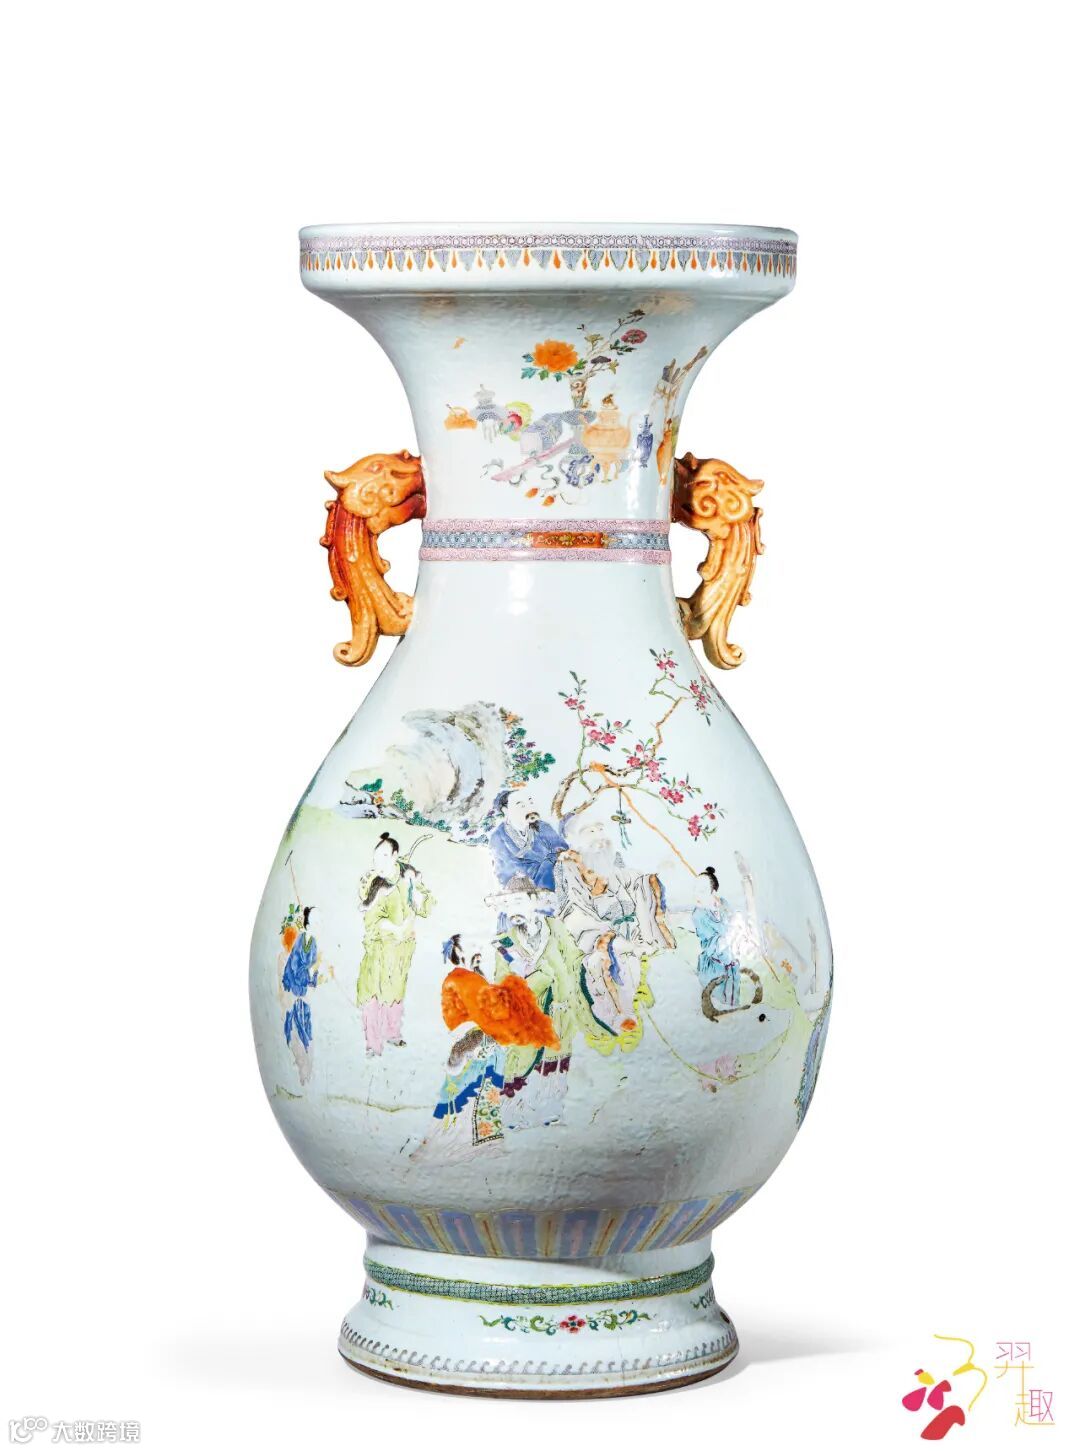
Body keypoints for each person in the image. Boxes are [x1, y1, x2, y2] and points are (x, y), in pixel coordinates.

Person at [486, 875, 608, 1130]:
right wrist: (539, 978)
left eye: (519, 902)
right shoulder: (505, 943)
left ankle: (550, 1108)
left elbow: (573, 959)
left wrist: (590, 962)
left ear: (533, 900)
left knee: (556, 1057)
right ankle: (513, 1110)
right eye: (509, 904)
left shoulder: (555, 928)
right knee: (522, 1058)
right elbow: (502, 985)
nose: (514, 910)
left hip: (560, 1009)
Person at [554, 814, 673, 1037]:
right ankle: (620, 1013)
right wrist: (614, 940)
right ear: (572, 838)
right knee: (604, 962)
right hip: (598, 935)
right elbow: (574, 910)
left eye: (600, 828)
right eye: (590, 831)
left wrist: (652, 879)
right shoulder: (568, 866)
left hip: (631, 930)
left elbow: (633, 881)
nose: (599, 836)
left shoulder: (611, 859)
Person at [355, 832, 435, 1056]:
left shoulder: (408, 876)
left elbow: (426, 907)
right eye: (375, 859)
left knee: (395, 992)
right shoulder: (374, 884)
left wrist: (417, 893)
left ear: (395, 855)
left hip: (400, 951)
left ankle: (392, 1033)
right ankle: (373, 1044)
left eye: (384, 857)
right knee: (372, 994)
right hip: (377, 948)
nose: (378, 864)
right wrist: (394, 928)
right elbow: (371, 922)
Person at [279, 904, 326, 1086]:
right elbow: (294, 966)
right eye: (317, 922)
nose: (319, 925)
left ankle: (306, 1071)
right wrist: (311, 971)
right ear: (309, 923)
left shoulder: (313, 943)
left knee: (305, 1028)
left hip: (304, 992)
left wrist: (315, 975)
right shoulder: (300, 940)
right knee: (294, 1029)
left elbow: (311, 969)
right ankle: (301, 1069)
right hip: (293, 988)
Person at [488, 788, 566, 892]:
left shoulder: (543, 827)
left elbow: (561, 848)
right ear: (506, 811)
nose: (529, 809)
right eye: (522, 806)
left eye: (530, 803)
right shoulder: (498, 836)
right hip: (522, 885)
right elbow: (505, 870)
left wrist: (553, 860)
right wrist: (543, 867)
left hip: (555, 875)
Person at [692, 867, 740, 1012]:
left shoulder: (723, 904)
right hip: (714, 969)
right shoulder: (699, 915)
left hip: (732, 969)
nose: (696, 895)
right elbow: (712, 946)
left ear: (713, 892)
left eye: (701, 890)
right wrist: (730, 935)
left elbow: (735, 922)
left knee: (734, 1008)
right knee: (717, 1009)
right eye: (695, 889)